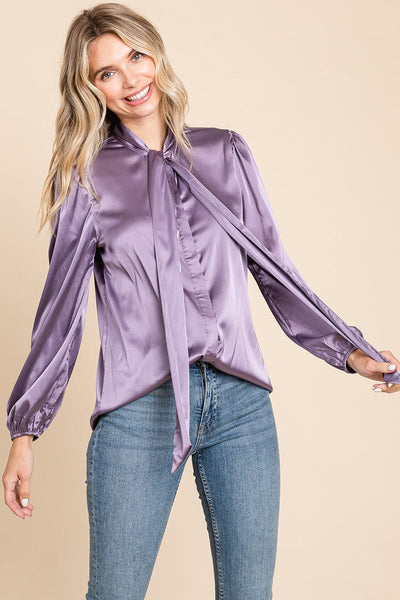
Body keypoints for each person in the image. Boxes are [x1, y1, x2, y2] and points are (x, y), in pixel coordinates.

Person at [2, 3, 399, 599]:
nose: (130, 79)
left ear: (156, 55)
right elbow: (59, 312)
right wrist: (24, 431)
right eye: (107, 72)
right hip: (140, 409)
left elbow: (275, 272)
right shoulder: (86, 178)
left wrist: (351, 351)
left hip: (241, 406)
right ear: (90, 90)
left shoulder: (224, 153)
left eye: (136, 57)